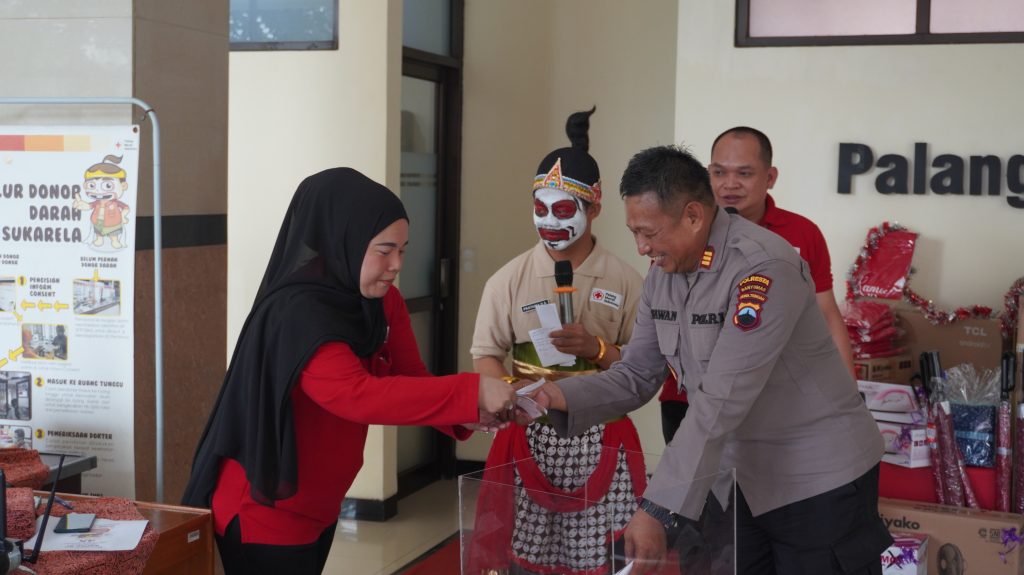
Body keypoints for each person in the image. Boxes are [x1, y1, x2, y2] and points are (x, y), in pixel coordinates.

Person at [528, 145, 890, 574]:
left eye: (649, 233)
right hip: (735, 476)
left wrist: (657, 507)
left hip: (815, 478)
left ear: (694, 216)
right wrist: (551, 397)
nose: (641, 248)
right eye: (634, 233)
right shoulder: (663, 274)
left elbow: (721, 398)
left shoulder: (762, 267)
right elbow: (636, 374)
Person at [182, 168, 517, 574]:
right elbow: (356, 395)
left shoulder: (380, 302)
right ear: (344, 240)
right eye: (384, 250)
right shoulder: (299, 313)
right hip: (268, 506)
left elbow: (410, 378)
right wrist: (471, 390)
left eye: (403, 250)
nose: (396, 265)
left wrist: (467, 412)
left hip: (319, 501)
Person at [469, 108, 646, 574]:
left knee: (603, 559)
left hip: (603, 434)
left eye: (564, 210)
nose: (549, 221)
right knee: (528, 558)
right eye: (540, 208)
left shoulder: (628, 281)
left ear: (594, 209)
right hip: (531, 436)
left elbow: (648, 367)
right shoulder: (506, 280)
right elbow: (485, 355)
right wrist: (509, 395)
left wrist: (597, 350)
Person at [658, 126, 856, 446]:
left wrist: (848, 397)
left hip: (780, 401)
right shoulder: (682, 232)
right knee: (694, 478)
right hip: (691, 399)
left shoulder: (802, 233)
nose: (730, 184)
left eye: (744, 173)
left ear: (770, 177)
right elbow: (663, 314)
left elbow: (827, 315)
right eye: (719, 172)